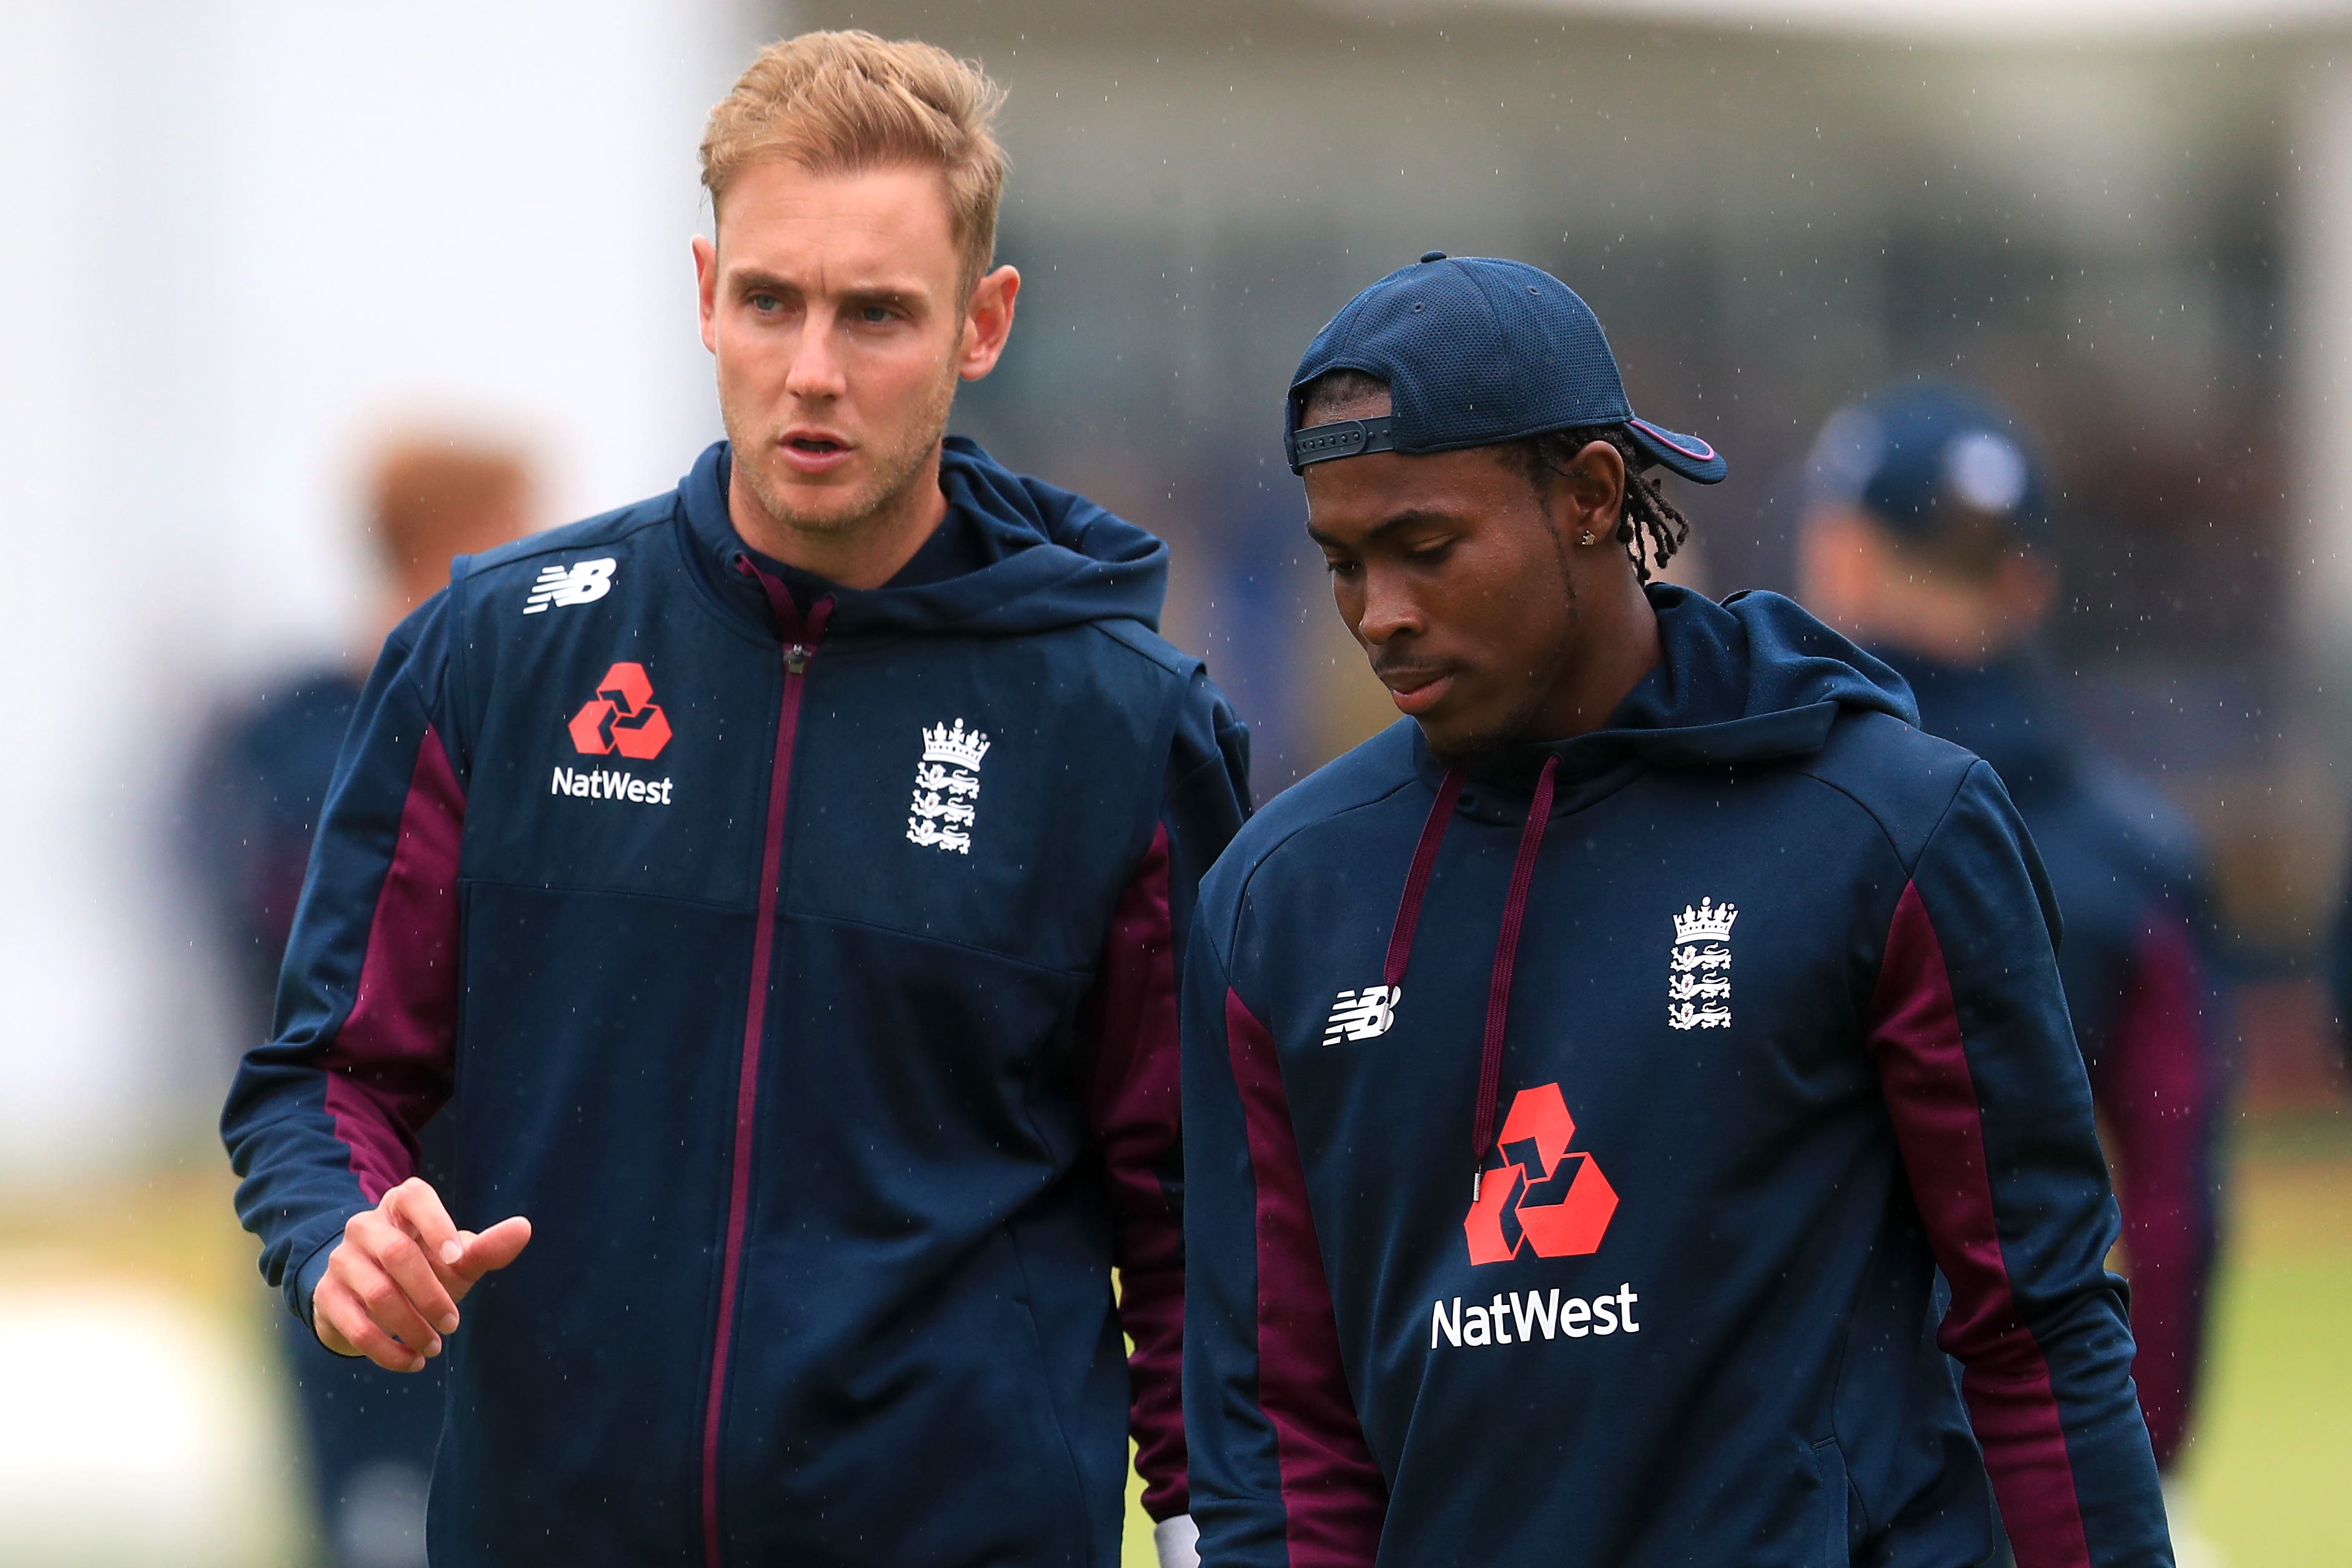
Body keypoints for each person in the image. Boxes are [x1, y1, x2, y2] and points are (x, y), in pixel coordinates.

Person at [221, 32, 1246, 1567]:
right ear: (705, 293)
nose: (811, 369)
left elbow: (1197, 1225)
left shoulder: (1118, 725)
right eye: (770, 302)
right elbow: (325, 1075)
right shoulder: (494, 657)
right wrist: (342, 1236)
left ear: (983, 323)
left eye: (876, 314)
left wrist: (1218, 1533)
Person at [1179, 254, 2173, 1567]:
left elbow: (2033, 1323)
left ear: (1590, 495)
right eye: (1342, 563)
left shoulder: (1883, 822)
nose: (1382, 614)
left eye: (1425, 549)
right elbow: (1276, 1431)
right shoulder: (1276, 900)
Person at [1797, 383, 2225, 1497]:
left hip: (1810, 1473)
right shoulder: (2141, 852)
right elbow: (2174, 1201)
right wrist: (2139, 1461)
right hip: (2039, 1449)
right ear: (2028, 579)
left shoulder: (1766, 815)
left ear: (1839, 555)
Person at [190, 435, 533, 1568]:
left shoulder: (295, 724)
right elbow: (281, 952)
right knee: (381, 1529)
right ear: (461, 550)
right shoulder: (310, 736)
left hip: (478, 1227)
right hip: (364, 1210)